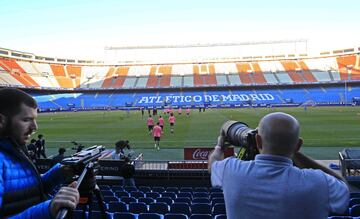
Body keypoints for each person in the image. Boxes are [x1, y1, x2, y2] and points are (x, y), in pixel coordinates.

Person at [208, 112, 349, 219]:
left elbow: (212, 164)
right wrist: (293, 150)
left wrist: (219, 146)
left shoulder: (230, 170)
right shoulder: (320, 182)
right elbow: (343, 191)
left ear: (258, 141)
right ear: (298, 145)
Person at [0, 88, 79, 218]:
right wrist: (48, 209)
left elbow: (29, 192)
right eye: (26, 120)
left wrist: (61, 172)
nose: (35, 127)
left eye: (35, 119)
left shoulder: (15, 148)